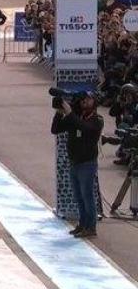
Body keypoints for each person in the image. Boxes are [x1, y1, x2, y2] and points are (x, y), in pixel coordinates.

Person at [51, 92, 104, 238]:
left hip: (87, 163)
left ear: (94, 102)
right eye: (83, 100)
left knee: (87, 196)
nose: (85, 101)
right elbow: (55, 129)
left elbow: (85, 129)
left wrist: (69, 113)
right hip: (74, 162)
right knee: (79, 196)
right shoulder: (76, 117)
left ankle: (91, 227)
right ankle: (82, 224)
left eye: (88, 99)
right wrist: (59, 112)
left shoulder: (97, 119)